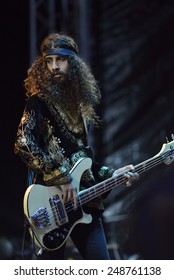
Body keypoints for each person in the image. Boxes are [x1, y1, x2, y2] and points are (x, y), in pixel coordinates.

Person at [14, 33, 139, 260]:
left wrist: (113, 175)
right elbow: (23, 144)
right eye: (48, 61)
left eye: (59, 60)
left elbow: (82, 159)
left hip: (83, 203)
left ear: (73, 63)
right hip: (50, 202)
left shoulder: (81, 108)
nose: (53, 66)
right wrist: (60, 177)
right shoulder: (38, 102)